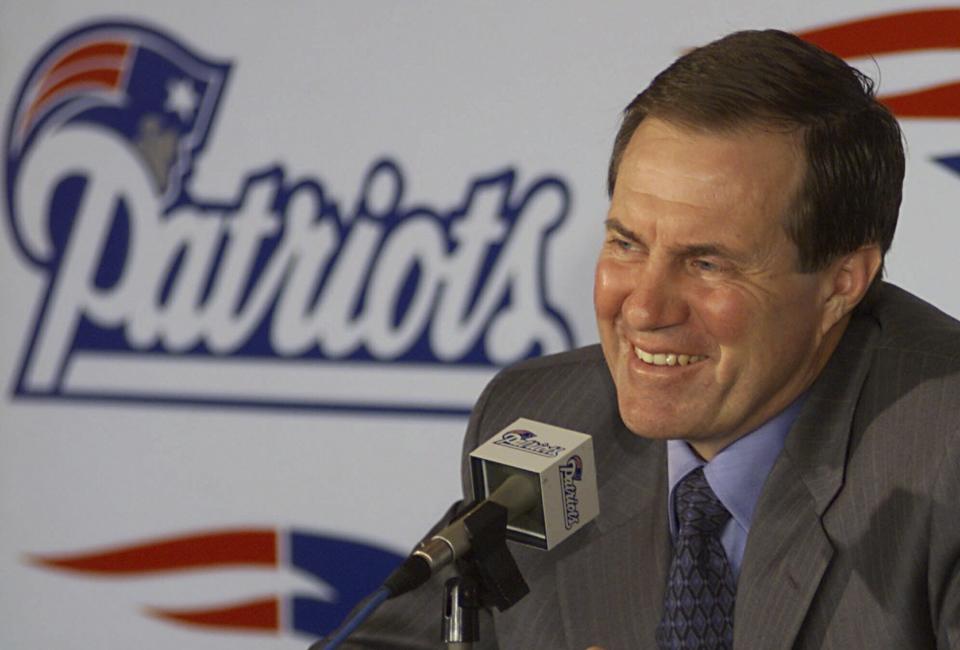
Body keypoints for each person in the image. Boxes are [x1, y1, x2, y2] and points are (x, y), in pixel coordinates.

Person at [338, 29, 960, 649]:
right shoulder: (549, 423)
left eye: (707, 263)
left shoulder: (943, 454)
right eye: (626, 244)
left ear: (841, 284)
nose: (642, 308)